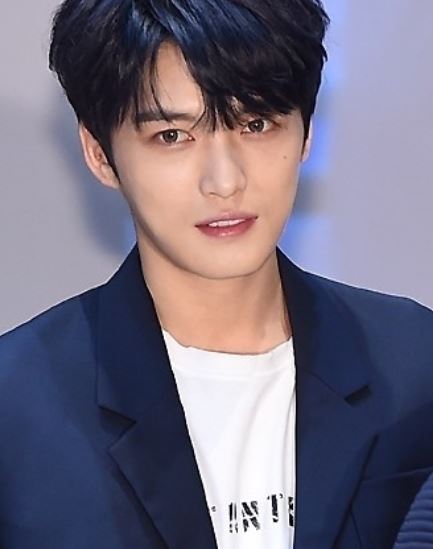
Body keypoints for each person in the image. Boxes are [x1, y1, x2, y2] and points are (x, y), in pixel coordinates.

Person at [0, 1, 432, 547]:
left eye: (256, 124)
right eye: (172, 136)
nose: (225, 181)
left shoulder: (416, 361)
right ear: (99, 153)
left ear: (306, 132)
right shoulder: (16, 407)